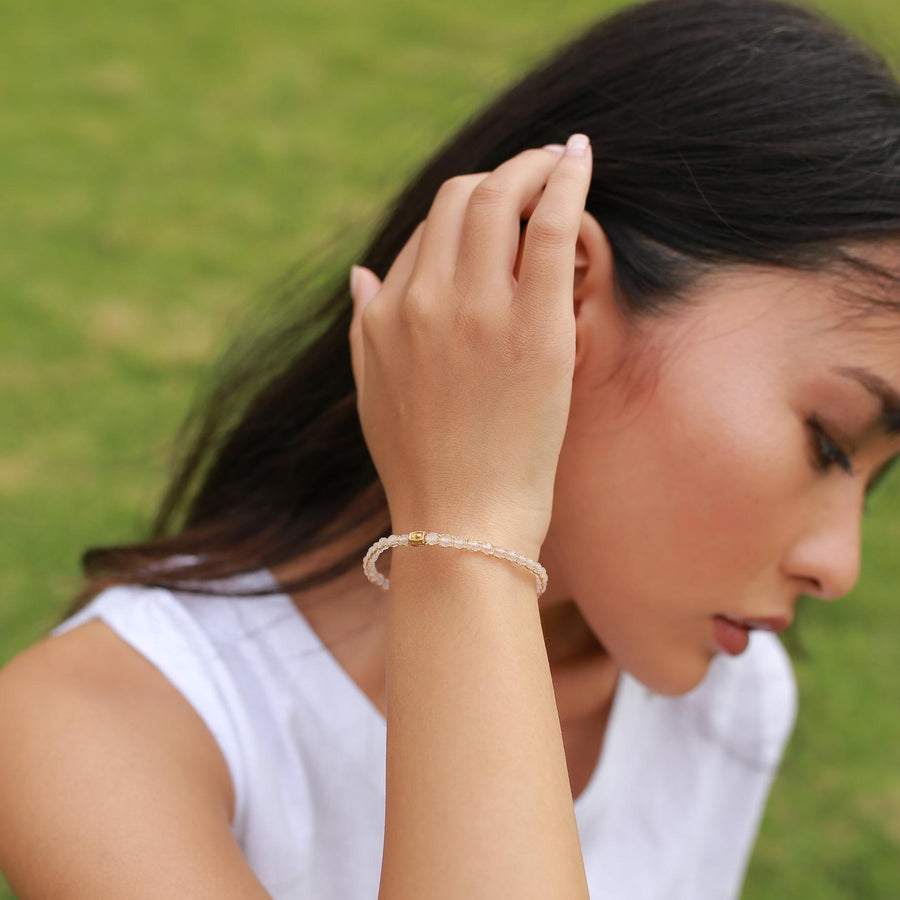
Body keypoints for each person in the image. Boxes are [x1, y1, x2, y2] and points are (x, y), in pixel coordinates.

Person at [2, 0, 900, 896]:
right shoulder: (96, 736)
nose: (838, 566)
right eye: (828, 442)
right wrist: (465, 540)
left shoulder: (722, 703)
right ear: (561, 291)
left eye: (874, 480)